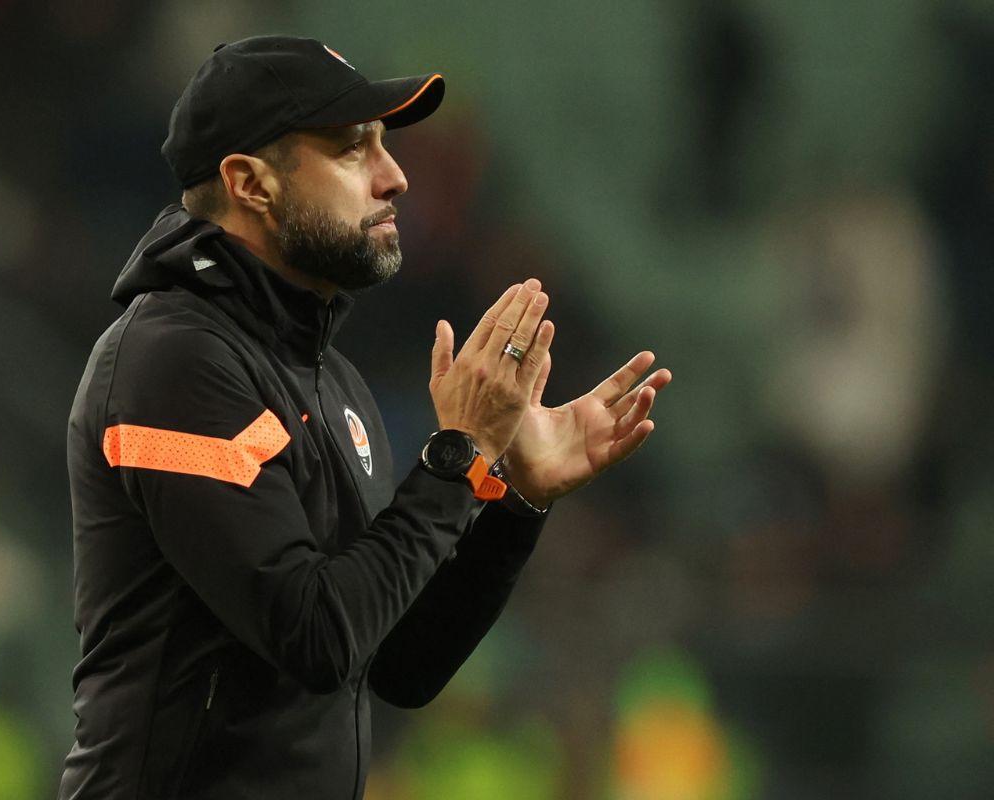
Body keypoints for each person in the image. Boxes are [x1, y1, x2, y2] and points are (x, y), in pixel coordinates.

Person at [59, 35, 671, 800]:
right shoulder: (173, 363)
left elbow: (399, 665)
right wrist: (460, 452)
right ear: (251, 183)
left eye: (385, 145)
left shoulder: (329, 381)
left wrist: (515, 495)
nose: (396, 177)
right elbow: (314, 637)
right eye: (353, 150)